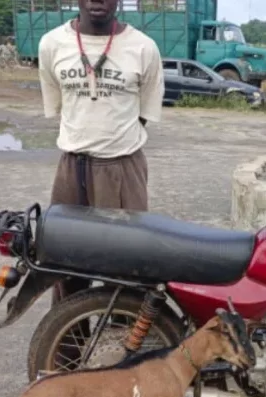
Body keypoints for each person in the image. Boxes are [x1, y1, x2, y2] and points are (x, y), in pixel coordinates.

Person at [37, 0, 164, 305]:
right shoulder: (51, 44)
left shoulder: (144, 48)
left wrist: (111, 145)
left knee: (127, 264)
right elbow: (60, 106)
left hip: (123, 167)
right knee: (66, 263)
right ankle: (69, 334)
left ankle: (123, 331)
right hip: (71, 169)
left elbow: (144, 113)